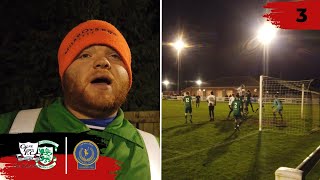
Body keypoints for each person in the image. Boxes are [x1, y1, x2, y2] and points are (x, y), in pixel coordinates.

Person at [0, 20, 160, 179]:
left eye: (114, 56)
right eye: (85, 55)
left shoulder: (156, 151)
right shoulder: (7, 128)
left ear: (129, 76)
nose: (103, 62)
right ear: (64, 74)